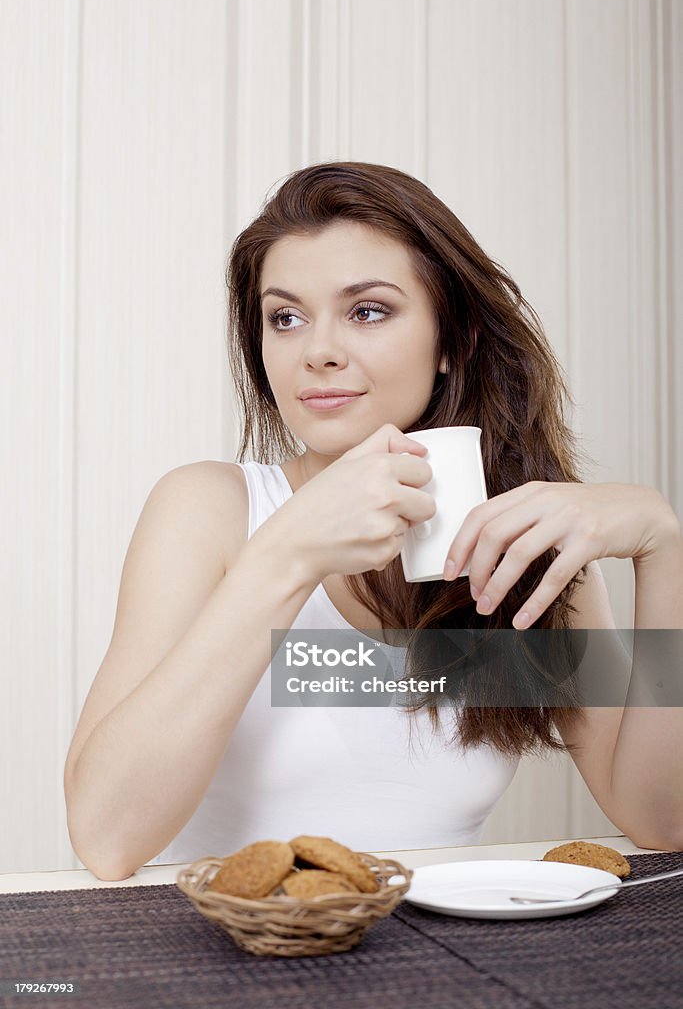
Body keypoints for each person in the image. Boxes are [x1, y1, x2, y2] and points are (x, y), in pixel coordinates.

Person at [64, 162, 683, 881]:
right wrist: (286, 556)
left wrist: (661, 546)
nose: (317, 350)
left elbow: (659, 818)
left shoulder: (524, 544)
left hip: (446, 967)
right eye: (285, 317)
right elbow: (106, 839)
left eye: (366, 311)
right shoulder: (209, 509)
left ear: (455, 341)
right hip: (229, 954)